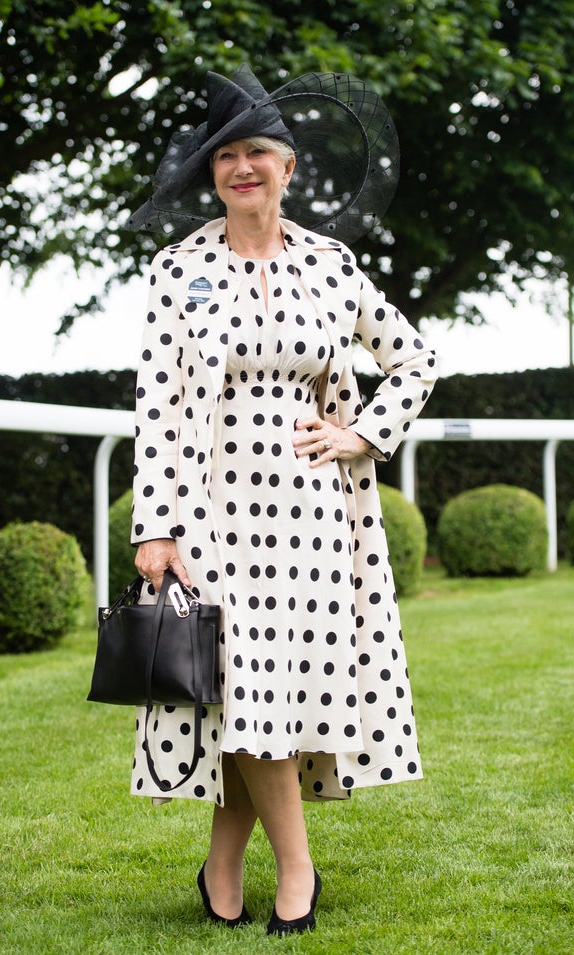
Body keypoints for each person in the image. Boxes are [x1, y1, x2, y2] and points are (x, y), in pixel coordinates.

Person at [127, 64, 437, 937]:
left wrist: (363, 433)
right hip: (215, 510)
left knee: (272, 696)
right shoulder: (175, 270)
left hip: (316, 521)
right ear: (212, 173)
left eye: (258, 151)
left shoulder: (332, 265)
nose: (243, 168)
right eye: (226, 155)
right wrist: (156, 526)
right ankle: (297, 870)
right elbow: (157, 404)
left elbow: (415, 360)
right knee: (245, 686)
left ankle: (221, 863)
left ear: (289, 166)